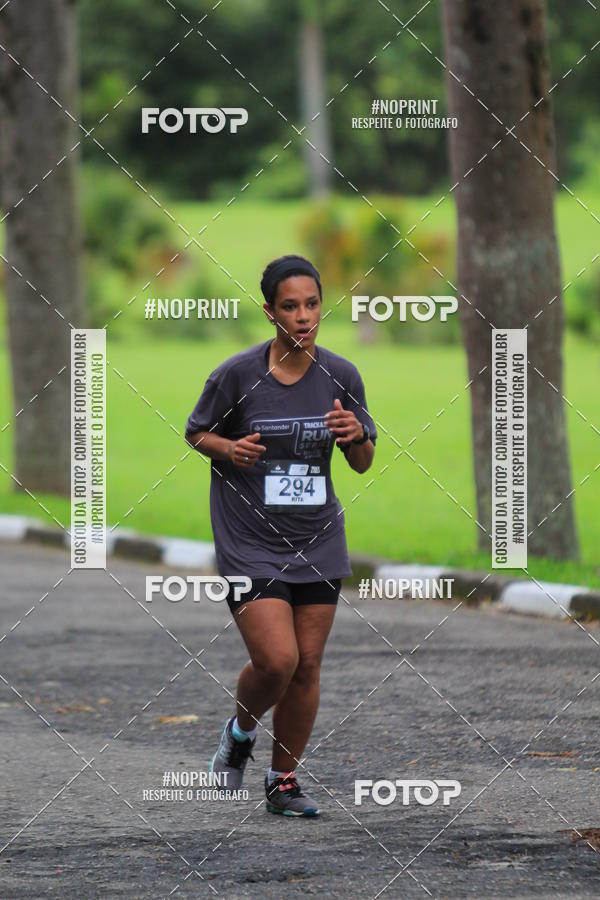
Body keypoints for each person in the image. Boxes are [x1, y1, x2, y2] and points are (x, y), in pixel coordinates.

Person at [185, 254, 376, 817]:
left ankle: (282, 781)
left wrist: (354, 432)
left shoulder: (341, 375)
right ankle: (239, 733)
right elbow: (197, 432)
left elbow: (363, 461)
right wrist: (230, 448)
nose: (303, 316)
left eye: (312, 304)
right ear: (270, 311)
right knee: (277, 661)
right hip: (249, 540)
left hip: (317, 538)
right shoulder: (237, 375)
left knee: (308, 665)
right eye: (290, 306)